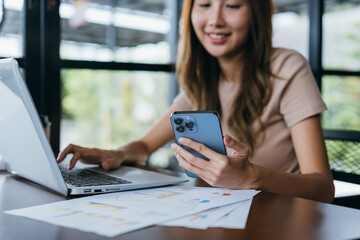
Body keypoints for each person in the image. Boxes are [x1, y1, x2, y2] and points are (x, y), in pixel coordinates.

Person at [57, 0, 335, 203]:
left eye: (233, 5)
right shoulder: (202, 79)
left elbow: (323, 188)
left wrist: (251, 177)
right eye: (204, 4)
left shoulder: (287, 67)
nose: (215, 20)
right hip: (218, 215)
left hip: (279, 220)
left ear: (256, 14)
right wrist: (116, 154)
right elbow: (143, 146)